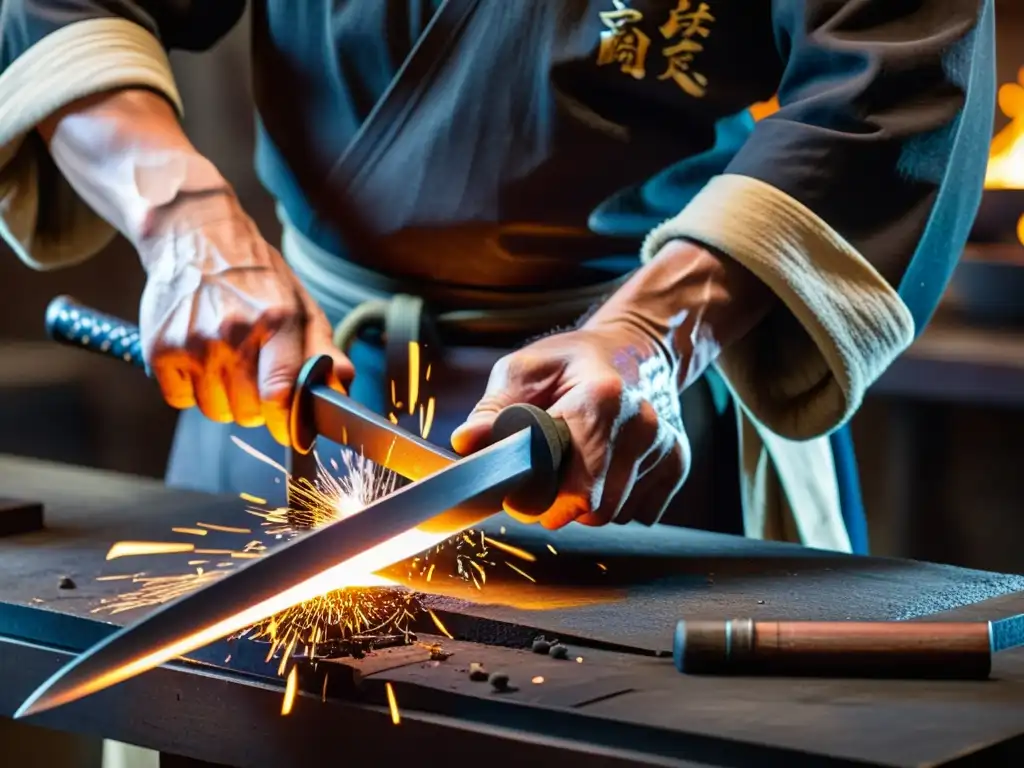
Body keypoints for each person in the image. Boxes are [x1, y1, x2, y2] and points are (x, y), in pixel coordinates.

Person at [0, 0, 996, 555]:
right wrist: (186, 223)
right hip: (277, 385)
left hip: (618, 434)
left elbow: (900, 77)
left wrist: (649, 336)